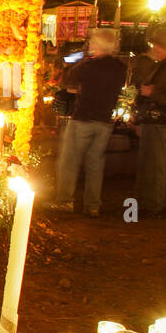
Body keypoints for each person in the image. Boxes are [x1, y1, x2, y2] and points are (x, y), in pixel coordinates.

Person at [52, 29, 127, 217]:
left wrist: (79, 61)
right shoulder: (120, 68)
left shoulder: (88, 66)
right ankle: (92, 205)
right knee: (95, 164)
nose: (90, 46)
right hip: (104, 121)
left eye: (92, 43)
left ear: (98, 45)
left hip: (84, 118)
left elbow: (67, 80)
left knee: (70, 161)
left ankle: (65, 201)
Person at [135, 27, 166, 218]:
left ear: (160, 46)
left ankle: (153, 205)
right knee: (149, 162)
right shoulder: (164, 65)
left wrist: (151, 93)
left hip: (159, 120)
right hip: (153, 119)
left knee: (155, 163)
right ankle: (148, 202)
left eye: (154, 44)